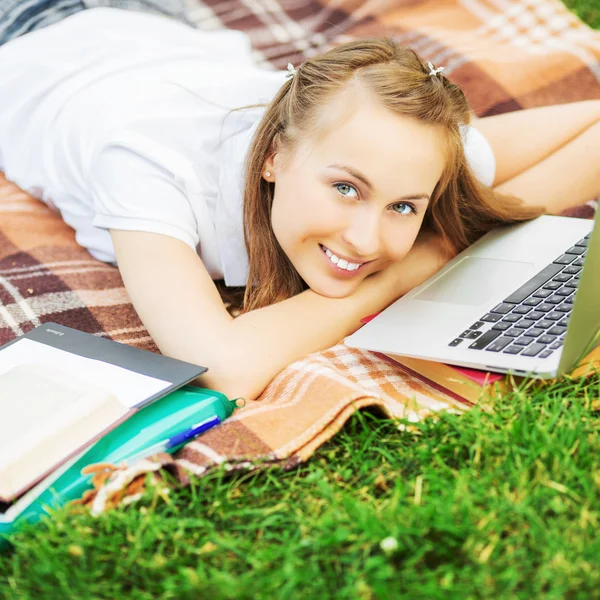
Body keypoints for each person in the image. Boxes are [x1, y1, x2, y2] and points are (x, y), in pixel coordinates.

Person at [0, 3, 599, 401]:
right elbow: (221, 367)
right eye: (346, 188)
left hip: (156, 24)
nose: (366, 241)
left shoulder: (390, 144)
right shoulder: (146, 167)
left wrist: (454, 236)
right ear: (273, 158)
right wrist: (413, 269)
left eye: (405, 208)